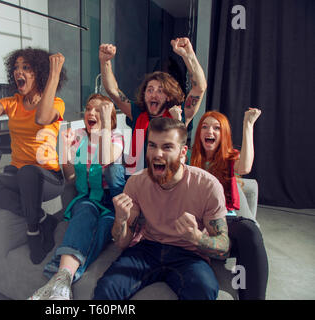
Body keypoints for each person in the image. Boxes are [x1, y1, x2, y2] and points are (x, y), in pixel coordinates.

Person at [93, 117, 229, 300]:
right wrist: (120, 220)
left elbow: (223, 245)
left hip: (189, 254)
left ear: (183, 152)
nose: (157, 153)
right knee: (106, 289)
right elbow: (122, 243)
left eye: (167, 147)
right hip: (148, 249)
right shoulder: (136, 183)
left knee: (204, 290)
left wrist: (197, 237)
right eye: (152, 145)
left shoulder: (208, 186)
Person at [0, 44, 68, 265]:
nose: (18, 72)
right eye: (16, 67)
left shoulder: (57, 104)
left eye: (26, 67)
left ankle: (33, 233)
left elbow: (41, 118)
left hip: (48, 178)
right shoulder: (11, 103)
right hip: (19, 175)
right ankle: (42, 219)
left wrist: (55, 73)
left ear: (39, 73)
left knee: (30, 171)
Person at [29, 94, 125, 300]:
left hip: (110, 202)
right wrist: (64, 150)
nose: (90, 112)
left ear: (108, 117)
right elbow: (71, 178)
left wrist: (106, 126)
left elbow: (107, 157)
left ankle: (59, 277)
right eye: (89, 108)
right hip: (87, 197)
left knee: (103, 228)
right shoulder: (79, 137)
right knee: (85, 211)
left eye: (99, 110)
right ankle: (62, 284)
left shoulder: (116, 137)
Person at [190, 109, 269, 300]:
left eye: (216, 128)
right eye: (205, 127)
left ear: (223, 134)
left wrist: (248, 125)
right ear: (199, 132)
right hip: (198, 221)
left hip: (225, 220)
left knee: (250, 232)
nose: (210, 131)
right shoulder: (190, 158)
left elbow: (245, 167)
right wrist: (178, 120)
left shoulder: (228, 157)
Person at [99, 37, 207, 173]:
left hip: (168, 181)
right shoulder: (137, 112)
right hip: (139, 178)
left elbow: (200, 88)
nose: (153, 94)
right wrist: (105, 62)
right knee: (113, 170)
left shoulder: (178, 115)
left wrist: (188, 55)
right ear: (144, 94)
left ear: (168, 96)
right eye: (150, 90)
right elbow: (113, 91)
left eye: (160, 91)